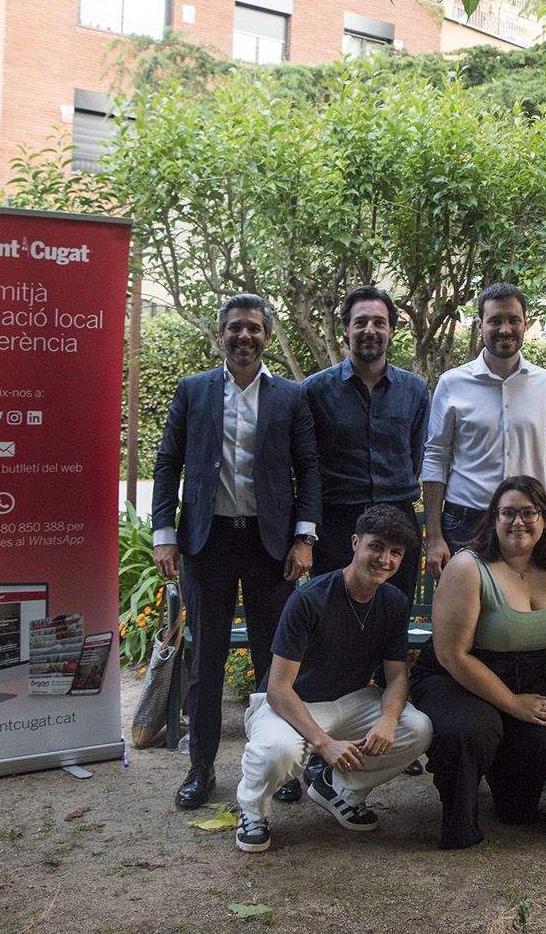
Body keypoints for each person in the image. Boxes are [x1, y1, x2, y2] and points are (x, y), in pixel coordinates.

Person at [151, 293, 320, 810]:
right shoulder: (193, 391)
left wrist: (304, 537)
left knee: (276, 662)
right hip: (209, 542)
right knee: (207, 659)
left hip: (271, 548)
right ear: (220, 334)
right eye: (234, 328)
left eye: (254, 329)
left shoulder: (291, 396)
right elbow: (167, 462)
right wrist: (164, 534)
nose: (244, 336)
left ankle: (283, 766)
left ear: (267, 336)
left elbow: (309, 468)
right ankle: (201, 768)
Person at [233, 506, 432, 852]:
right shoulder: (309, 600)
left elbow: (396, 675)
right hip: (292, 703)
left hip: (352, 701)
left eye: (396, 552)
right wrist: (324, 744)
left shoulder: (393, 602)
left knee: (417, 729)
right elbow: (278, 690)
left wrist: (387, 719)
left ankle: (340, 789)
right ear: (355, 542)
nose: (385, 559)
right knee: (278, 751)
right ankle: (252, 810)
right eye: (377, 546)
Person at [410, 476, 546, 849]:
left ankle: (510, 791)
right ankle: (458, 819)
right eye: (508, 513)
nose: (519, 522)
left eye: (528, 512)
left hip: (529, 673)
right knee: (473, 728)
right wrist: (512, 704)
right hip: (456, 677)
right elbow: (452, 654)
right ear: (493, 519)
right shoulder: (469, 567)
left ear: (545, 519)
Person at [422, 283, 546, 576]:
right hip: (466, 521)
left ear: (526, 323)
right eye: (495, 320)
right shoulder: (452, 383)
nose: (505, 329)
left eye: (513, 320)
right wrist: (435, 536)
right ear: (480, 325)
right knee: (464, 614)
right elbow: (435, 458)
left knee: (524, 612)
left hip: (529, 523)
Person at [302, 286, 429, 603]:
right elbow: (307, 464)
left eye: (379, 322)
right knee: (331, 619)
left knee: (393, 616)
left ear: (391, 330)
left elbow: (416, 456)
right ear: (346, 329)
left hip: (398, 519)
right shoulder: (315, 390)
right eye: (360, 322)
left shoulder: (414, 390)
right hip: (336, 524)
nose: (369, 330)